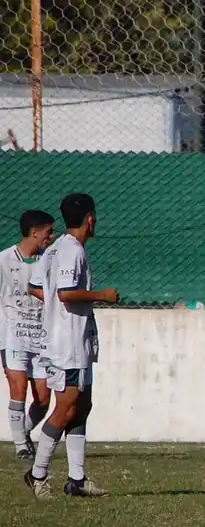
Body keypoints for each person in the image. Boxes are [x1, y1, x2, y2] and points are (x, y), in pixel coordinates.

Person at [24, 193, 118, 498]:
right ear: (90, 218)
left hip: (73, 338)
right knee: (65, 409)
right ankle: (38, 475)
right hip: (68, 345)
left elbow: (37, 287)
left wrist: (53, 309)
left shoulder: (54, 249)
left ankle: (76, 480)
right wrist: (102, 295)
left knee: (83, 405)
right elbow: (65, 292)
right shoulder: (71, 251)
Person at [3, 209, 55, 459]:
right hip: (12, 334)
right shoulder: (4, 261)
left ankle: (21, 433)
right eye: (48, 232)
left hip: (41, 337)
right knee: (18, 387)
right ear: (35, 233)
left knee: (44, 398)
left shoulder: (49, 259)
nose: (52, 236)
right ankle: (21, 447)